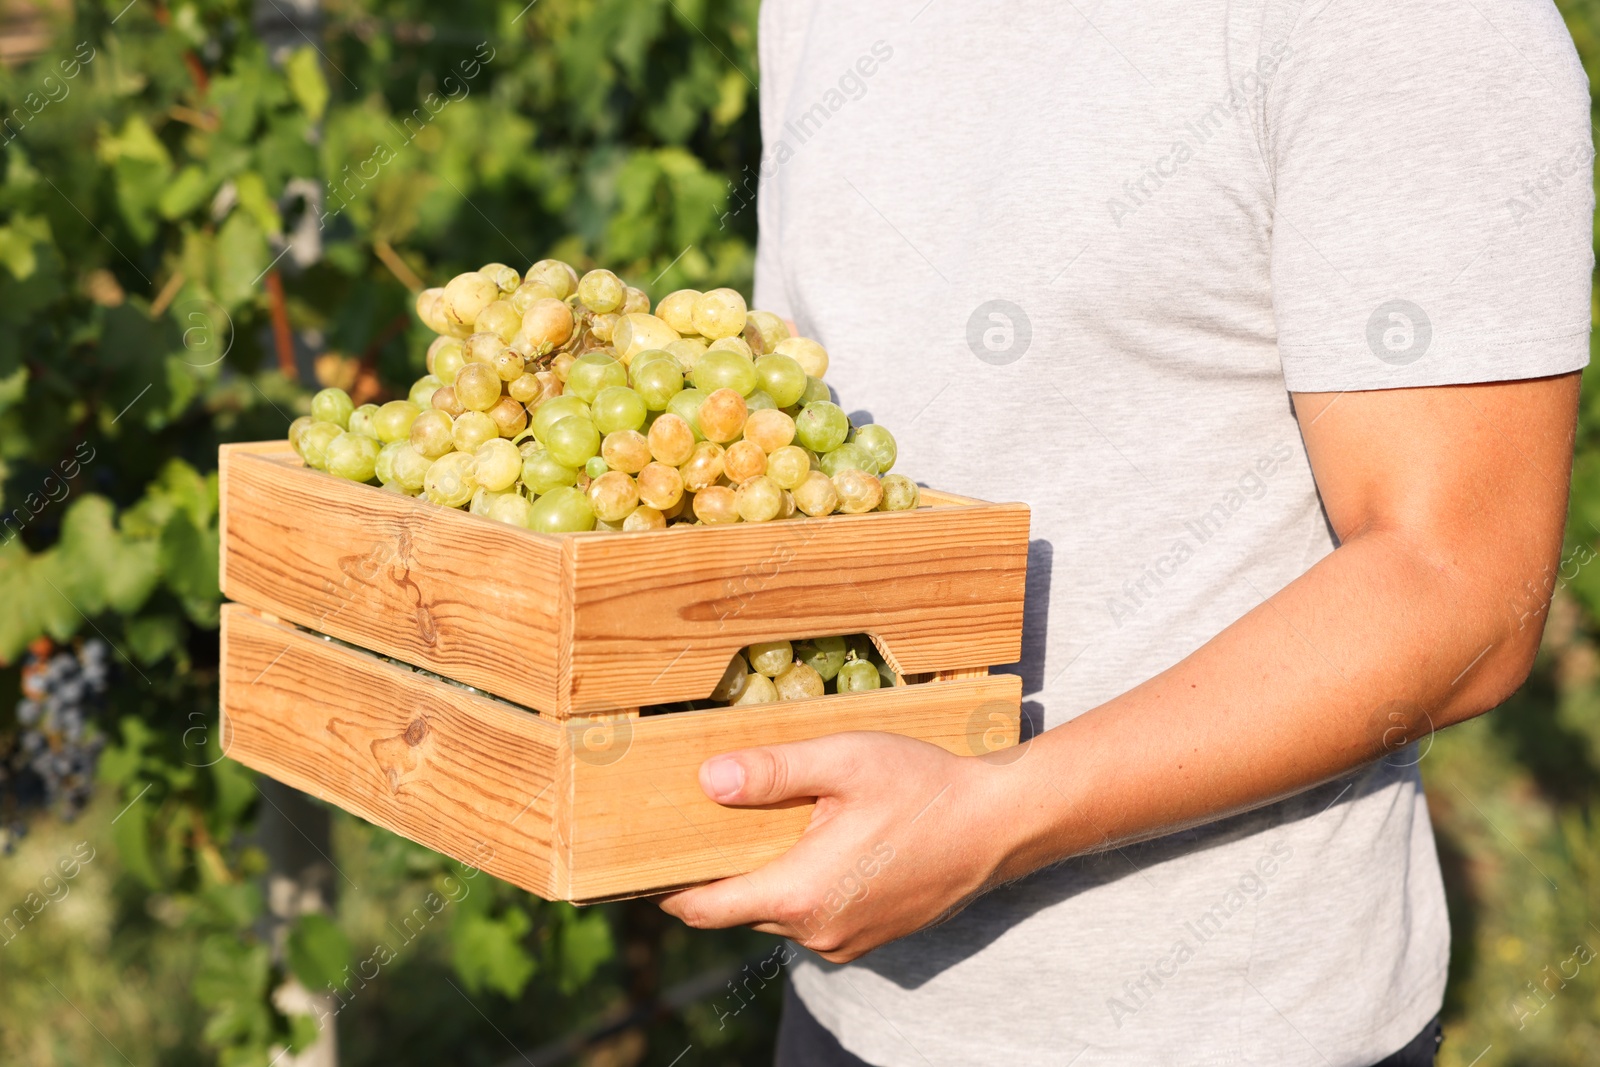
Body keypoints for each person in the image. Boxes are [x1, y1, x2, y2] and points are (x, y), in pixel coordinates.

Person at [658, 1, 1594, 1064]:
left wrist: (994, 816)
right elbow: (801, 435)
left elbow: (1460, 582)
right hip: (847, 997)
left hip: (1225, 1027)